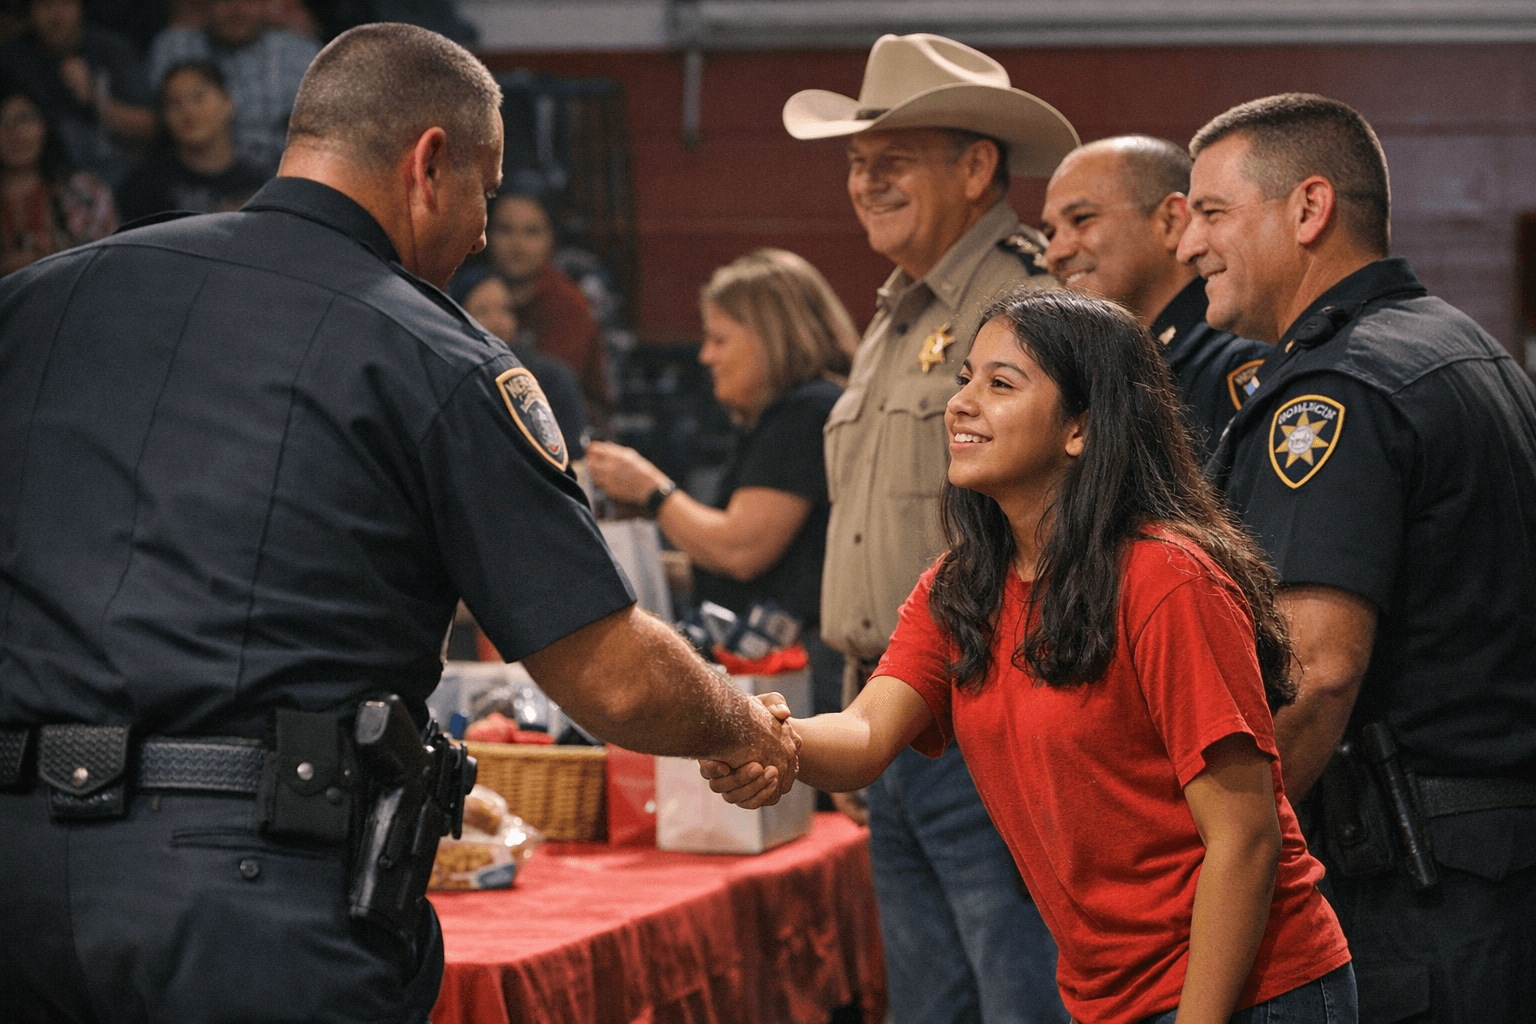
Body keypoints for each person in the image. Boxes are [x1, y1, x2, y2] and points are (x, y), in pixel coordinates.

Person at [0, 23, 797, 1024]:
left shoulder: (41, 301)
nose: (478, 232)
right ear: (429, 164)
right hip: (249, 895)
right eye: (485, 192)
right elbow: (612, 674)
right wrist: (737, 721)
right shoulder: (437, 358)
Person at [707, 288, 1356, 1024]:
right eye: (964, 381)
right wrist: (759, 732)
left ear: (1080, 427)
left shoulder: (1166, 579)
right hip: (1109, 997)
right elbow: (862, 738)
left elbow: (1245, 838)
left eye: (1000, 384)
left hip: (1248, 992)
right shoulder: (962, 584)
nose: (961, 405)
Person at [1177, 93, 1536, 1024]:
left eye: (1213, 213)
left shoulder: (1336, 390)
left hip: (1413, 884)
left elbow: (1316, 671)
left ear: (1308, 208)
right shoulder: (1462, 348)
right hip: (1485, 862)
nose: (1188, 246)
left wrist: (1224, 860)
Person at [782, 31, 1079, 1024]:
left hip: (987, 712)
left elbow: (1069, 529)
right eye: (858, 161)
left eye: (893, 157)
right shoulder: (893, 316)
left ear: (978, 165)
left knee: (1018, 998)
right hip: (888, 714)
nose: (866, 181)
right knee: (930, 1006)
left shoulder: (1024, 304)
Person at [585, 248, 858, 721]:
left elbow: (741, 549)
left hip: (801, 679)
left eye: (719, 339)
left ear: (771, 338)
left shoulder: (805, 413)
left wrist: (650, 488)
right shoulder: (785, 416)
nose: (706, 356)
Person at [1039, 135, 1269, 459]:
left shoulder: (1233, 364)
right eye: (1049, 234)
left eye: (1081, 219)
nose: (1054, 253)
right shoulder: (1115, 369)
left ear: (1171, 221)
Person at [484, 188, 615, 424]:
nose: (517, 244)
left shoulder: (568, 303)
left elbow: (555, 391)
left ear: (551, 239)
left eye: (531, 232)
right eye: (505, 230)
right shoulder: (475, 292)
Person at [147, 0, 321, 176]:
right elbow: (151, 125)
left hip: (285, 180)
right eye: (225, 2)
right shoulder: (175, 47)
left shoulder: (301, 52)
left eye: (248, 2)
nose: (237, 10)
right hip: (190, 179)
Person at [0, 0, 156, 187]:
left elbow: (150, 129)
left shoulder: (112, 49)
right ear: (29, 10)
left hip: (117, 178)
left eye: (65, 4)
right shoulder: (10, 59)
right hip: (41, 184)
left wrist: (94, 97)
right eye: (45, 5)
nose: (56, 16)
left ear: (81, 7)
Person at [451, 263, 589, 455]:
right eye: (483, 312)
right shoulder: (446, 381)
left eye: (506, 310)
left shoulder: (551, 379)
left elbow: (571, 460)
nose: (497, 322)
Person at [115, 60, 268, 222]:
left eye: (198, 97)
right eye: (174, 103)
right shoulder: (143, 187)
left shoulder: (260, 187)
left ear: (227, 103)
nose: (187, 111)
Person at [1, 78, 117, 275]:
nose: (16, 132)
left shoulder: (84, 192)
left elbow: (111, 267)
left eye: (25, 118)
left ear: (45, 125)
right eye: (2, 122)